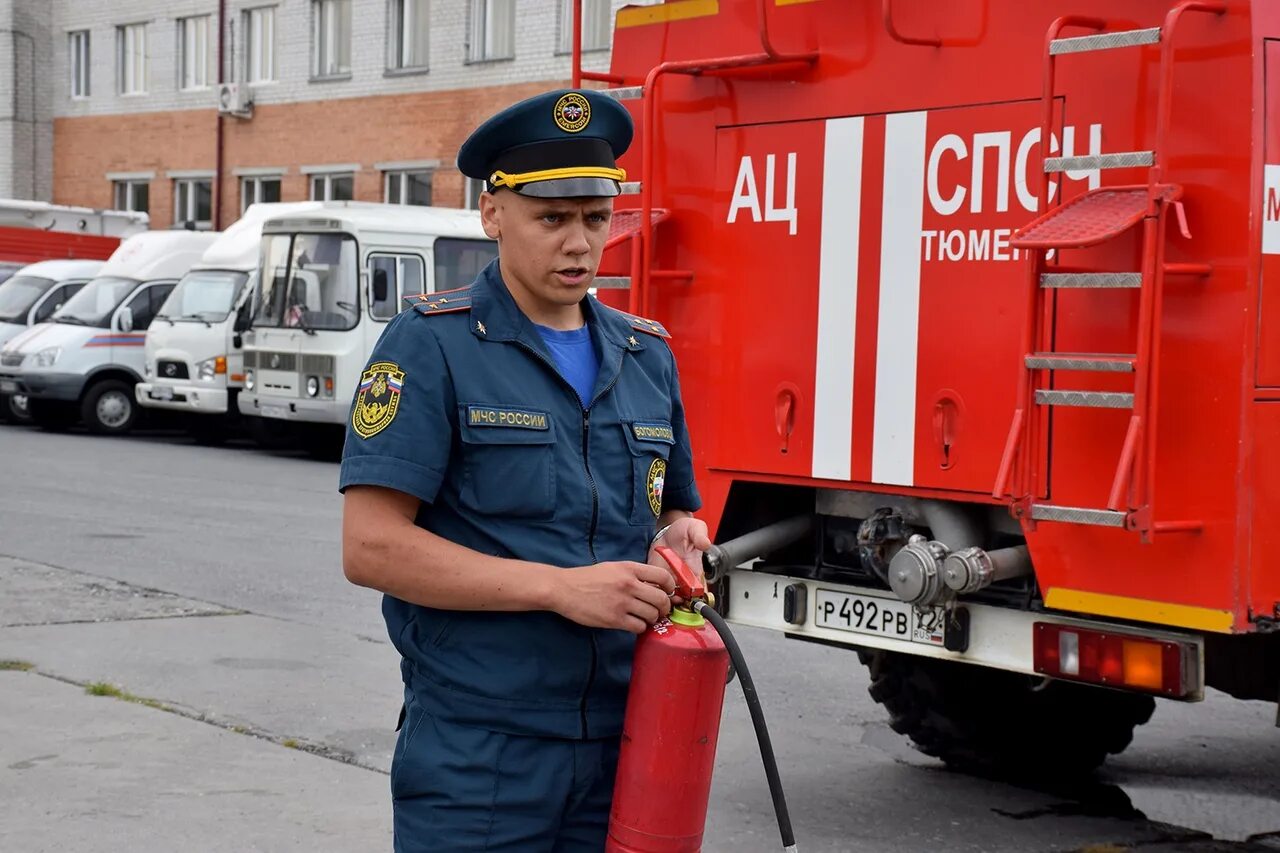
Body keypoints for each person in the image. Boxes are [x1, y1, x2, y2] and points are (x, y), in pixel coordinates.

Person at [339, 88, 710, 852]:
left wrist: (684, 538)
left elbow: (674, 511)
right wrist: (561, 588)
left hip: (626, 740)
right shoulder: (430, 345)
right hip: (481, 753)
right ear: (493, 214)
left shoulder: (647, 353)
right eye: (553, 218)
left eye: (595, 218)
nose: (579, 243)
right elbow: (370, 547)